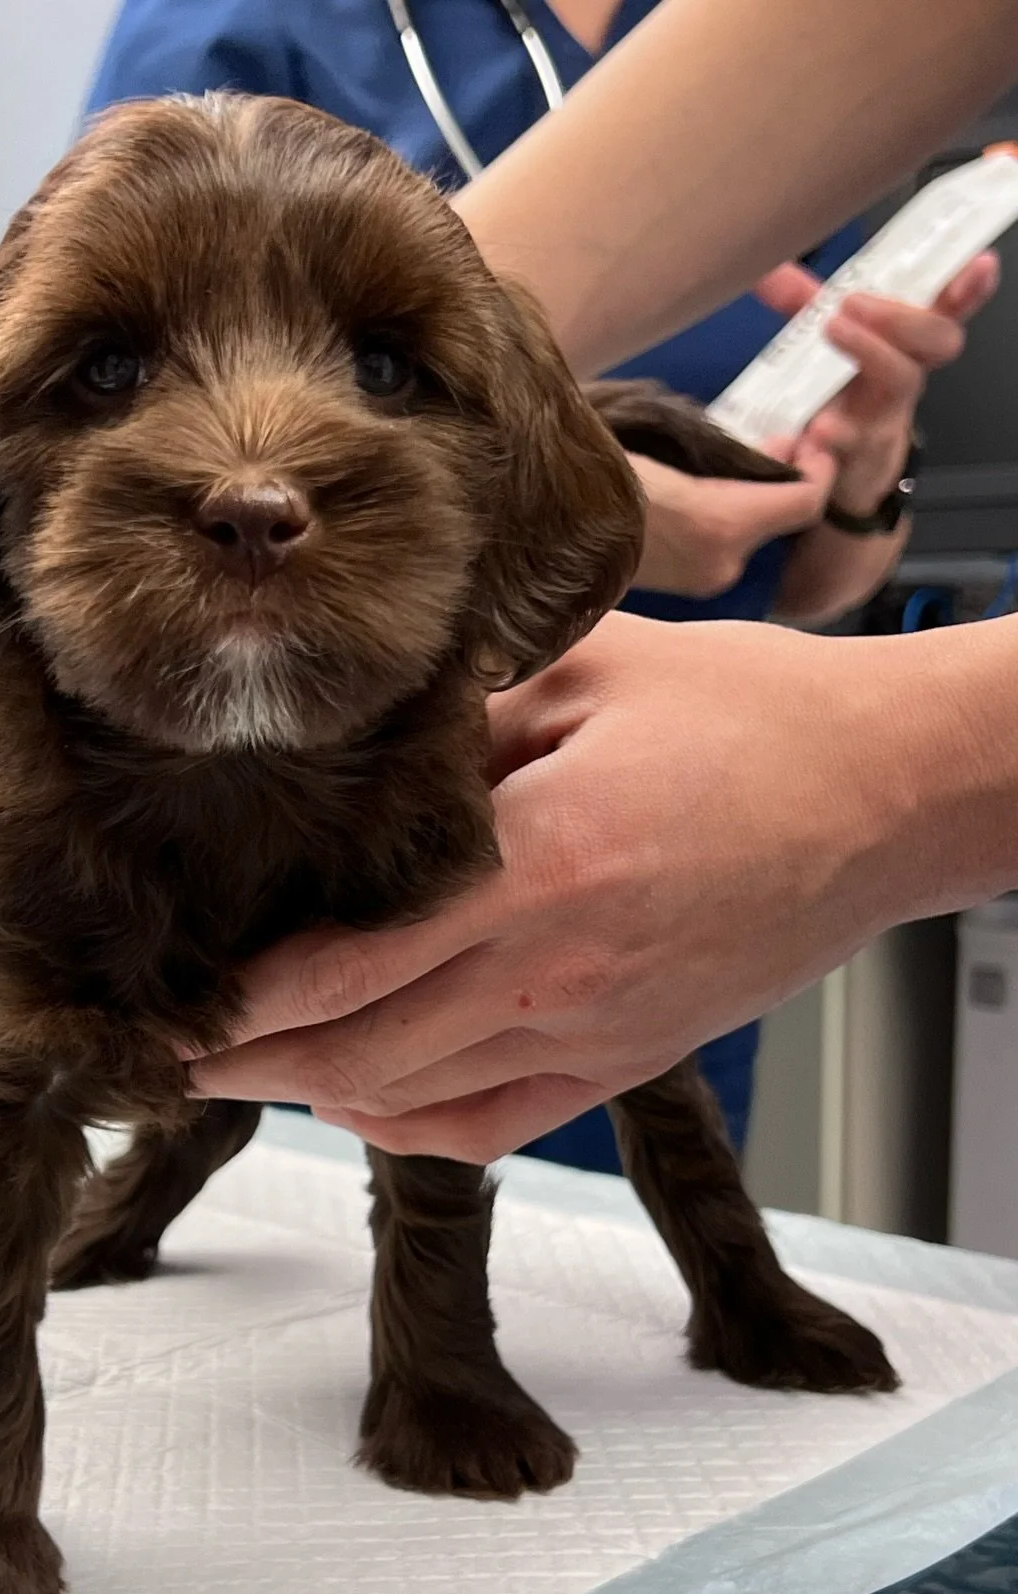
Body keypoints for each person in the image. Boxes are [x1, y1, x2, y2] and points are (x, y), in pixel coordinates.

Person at [85, 0, 998, 1172]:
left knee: (637, 1275)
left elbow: (814, 590)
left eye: (382, 367)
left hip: (708, 863)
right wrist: (527, 507)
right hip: (319, 853)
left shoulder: (757, 62)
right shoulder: (241, 30)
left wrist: (864, 481)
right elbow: (108, 454)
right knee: (266, 1217)